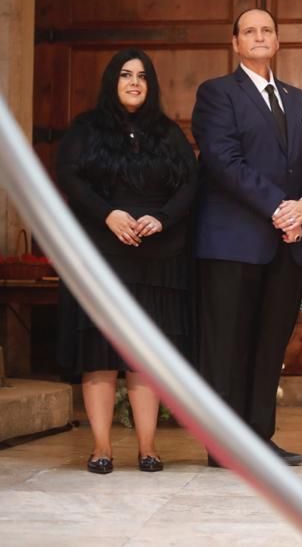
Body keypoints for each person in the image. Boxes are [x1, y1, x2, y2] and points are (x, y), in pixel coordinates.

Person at [191, 8, 302, 467]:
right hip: (233, 242)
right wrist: (278, 207)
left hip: (289, 244)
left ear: (278, 40)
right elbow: (223, 160)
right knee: (228, 346)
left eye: (266, 30)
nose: (258, 37)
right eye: (249, 31)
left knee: (271, 346)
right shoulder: (217, 94)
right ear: (235, 42)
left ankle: (259, 441)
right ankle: (224, 446)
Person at [56, 49, 197, 474]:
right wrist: (108, 213)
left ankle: (148, 448)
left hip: (157, 258)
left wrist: (163, 217)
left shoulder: (167, 132)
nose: (134, 82)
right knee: (100, 353)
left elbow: (191, 183)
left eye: (142, 76)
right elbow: (70, 178)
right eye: (125, 75)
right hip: (99, 256)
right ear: (111, 82)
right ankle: (101, 448)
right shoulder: (86, 128)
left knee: (145, 356)